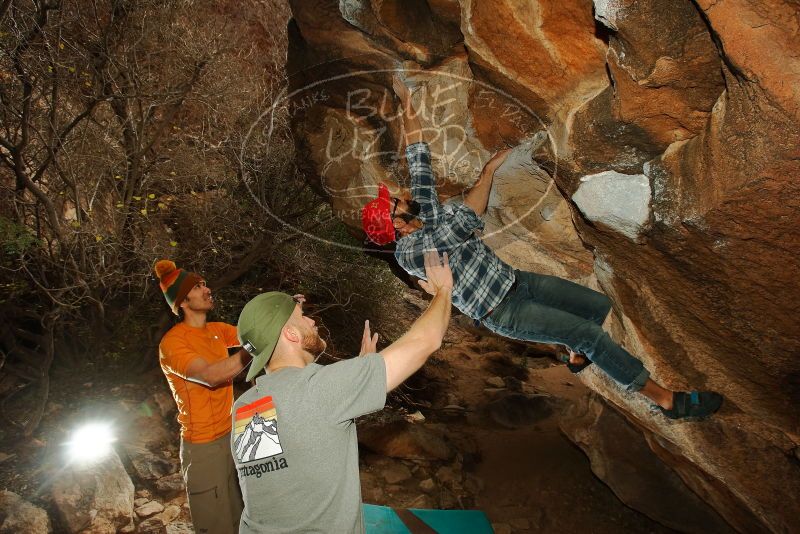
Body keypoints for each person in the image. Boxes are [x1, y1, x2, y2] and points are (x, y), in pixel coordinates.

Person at [361, 74, 723, 420]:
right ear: (396, 223)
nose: (396, 194)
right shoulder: (409, 254)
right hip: (502, 312)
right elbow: (469, 218)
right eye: (392, 201)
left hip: (518, 282)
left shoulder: (423, 210)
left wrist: (406, 99)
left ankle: (576, 356)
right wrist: (487, 173)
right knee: (588, 334)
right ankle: (666, 400)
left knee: (597, 307)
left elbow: (417, 151)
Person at [231, 250, 453, 533]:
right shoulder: (319, 390)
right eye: (303, 317)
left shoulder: (244, 406)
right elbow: (425, 340)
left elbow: (305, 439)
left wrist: (358, 378)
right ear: (291, 334)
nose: (312, 321)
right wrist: (444, 290)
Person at [154, 259, 248, 533]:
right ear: (182, 301)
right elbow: (209, 375)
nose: (207, 289)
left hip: (232, 435)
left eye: (205, 284)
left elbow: (253, 332)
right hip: (203, 446)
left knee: (241, 512)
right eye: (198, 286)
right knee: (215, 523)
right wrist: (252, 349)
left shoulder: (217, 330)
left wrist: (283, 310)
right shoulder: (173, 343)